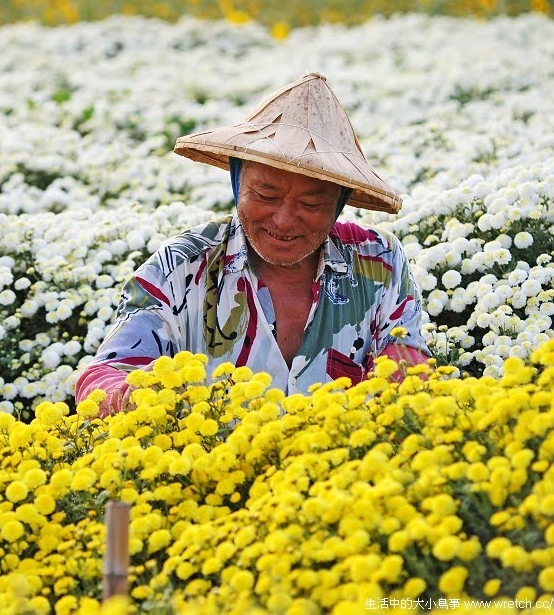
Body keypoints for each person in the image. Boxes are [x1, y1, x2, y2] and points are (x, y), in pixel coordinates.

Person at [76, 73, 430, 416]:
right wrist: (129, 395)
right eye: (265, 194)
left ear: (339, 202)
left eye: (311, 204)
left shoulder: (378, 262)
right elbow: (107, 372)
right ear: (237, 181)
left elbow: (409, 371)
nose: (284, 220)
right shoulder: (182, 266)